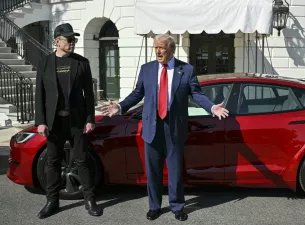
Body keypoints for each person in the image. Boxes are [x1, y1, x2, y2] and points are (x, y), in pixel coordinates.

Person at [101, 34, 229, 221]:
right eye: (155, 47)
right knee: (153, 170)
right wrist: (120, 106)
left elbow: (197, 93)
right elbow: (137, 93)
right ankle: (154, 206)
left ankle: (177, 206)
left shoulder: (186, 70)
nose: (157, 51)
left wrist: (211, 106)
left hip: (174, 127)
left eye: (161, 47)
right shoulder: (147, 69)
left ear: (171, 49)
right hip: (152, 127)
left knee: (175, 170)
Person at [34, 23, 103, 219]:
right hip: (54, 122)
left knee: (82, 160)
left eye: (74, 40)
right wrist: (41, 121)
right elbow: (39, 95)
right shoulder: (45, 63)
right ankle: (52, 201)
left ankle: (90, 200)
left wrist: (90, 119)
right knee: (53, 162)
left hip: (77, 121)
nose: (73, 43)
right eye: (69, 39)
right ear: (57, 41)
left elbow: (89, 95)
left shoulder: (82, 63)